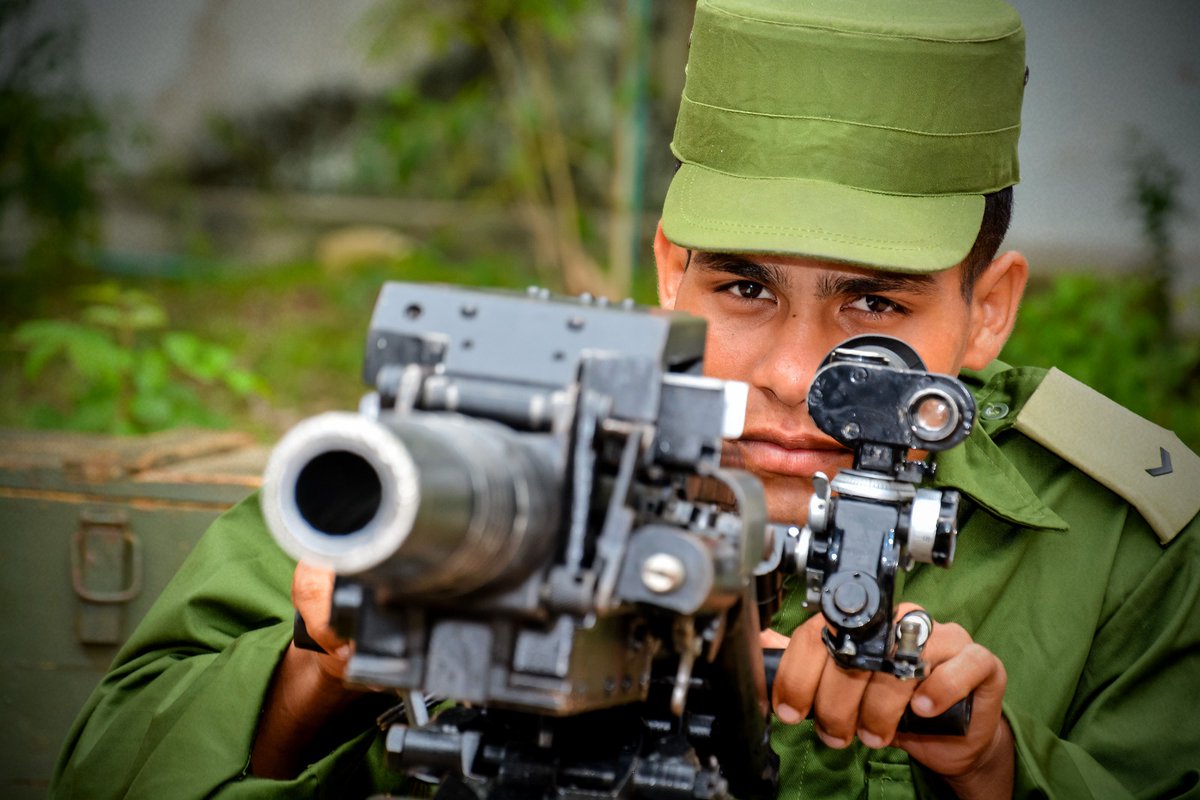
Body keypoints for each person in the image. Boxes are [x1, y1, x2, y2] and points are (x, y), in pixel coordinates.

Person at [52, 0, 1200, 798]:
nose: (795, 371)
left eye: (874, 306)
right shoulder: (461, 455)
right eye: (742, 285)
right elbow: (105, 772)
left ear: (989, 308)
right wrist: (327, 659)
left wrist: (992, 769)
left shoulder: (1125, 548)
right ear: (667, 264)